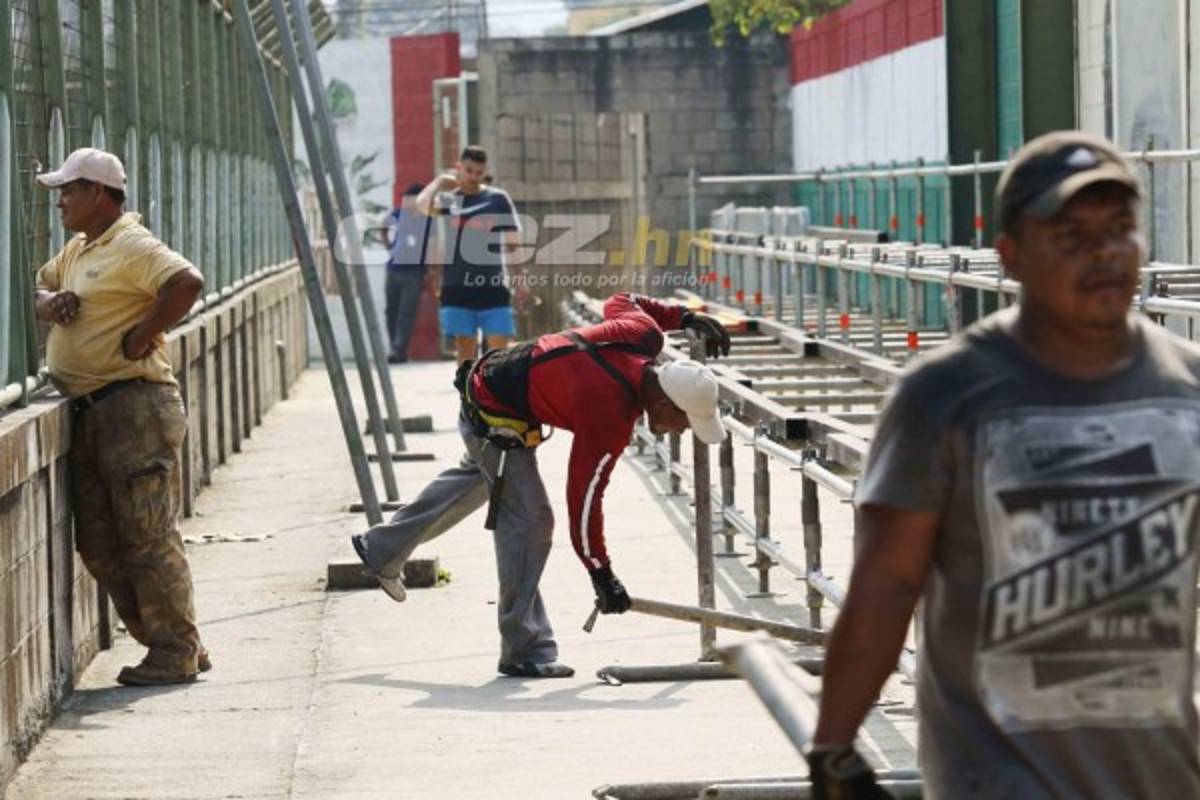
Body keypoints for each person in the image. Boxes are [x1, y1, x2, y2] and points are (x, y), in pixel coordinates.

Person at [808, 131, 1200, 798]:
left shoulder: (1185, 387)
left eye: (1120, 228)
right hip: (997, 778)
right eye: (1070, 233)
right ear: (1010, 255)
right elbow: (888, 582)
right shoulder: (946, 394)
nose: (1104, 251)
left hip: (1162, 776)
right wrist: (834, 751)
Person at [351, 293, 732, 678]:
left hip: (492, 382)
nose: (683, 431)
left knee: (481, 480)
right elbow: (583, 501)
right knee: (532, 523)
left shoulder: (643, 334)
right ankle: (524, 649)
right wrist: (601, 572)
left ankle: (381, 547)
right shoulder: (609, 412)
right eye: (686, 422)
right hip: (495, 412)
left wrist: (683, 316)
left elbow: (623, 300)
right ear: (666, 403)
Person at [33, 148, 209, 687]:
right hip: (94, 412)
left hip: (133, 406)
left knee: (147, 535)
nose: (59, 199)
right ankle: (176, 642)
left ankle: (174, 649)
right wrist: (52, 302)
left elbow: (187, 282)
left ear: (100, 194)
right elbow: (40, 286)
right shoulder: (80, 250)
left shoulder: (130, 244)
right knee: (101, 543)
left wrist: (139, 334)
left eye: (69, 189)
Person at [416, 145, 528, 363]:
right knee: (465, 351)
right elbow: (421, 206)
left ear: (485, 171)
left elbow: (514, 243)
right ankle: (468, 397)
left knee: (498, 355)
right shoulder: (450, 200)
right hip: (456, 287)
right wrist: (439, 182)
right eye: (469, 171)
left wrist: (521, 279)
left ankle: (494, 396)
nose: (473, 177)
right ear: (459, 168)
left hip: (493, 286)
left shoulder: (498, 199)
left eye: (479, 172)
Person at [382, 183, 433, 363]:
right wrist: (388, 245)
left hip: (415, 273)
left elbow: (433, 246)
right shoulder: (398, 213)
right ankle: (395, 348)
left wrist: (430, 272)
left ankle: (398, 350)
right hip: (393, 269)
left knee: (406, 313)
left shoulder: (427, 219)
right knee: (391, 311)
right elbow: (384, 225)